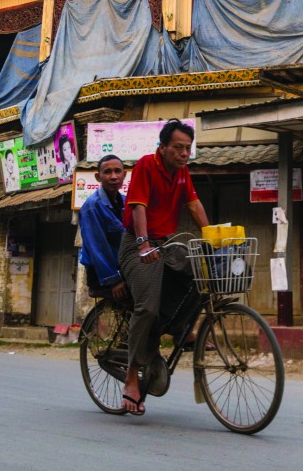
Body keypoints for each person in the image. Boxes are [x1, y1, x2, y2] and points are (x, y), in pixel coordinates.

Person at [118, 118, 209, 415]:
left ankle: (179, 327)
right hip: (137, 243)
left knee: (199, 274)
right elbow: (138, 206)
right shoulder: (146, 165)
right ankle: (132, 376)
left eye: (188, 148)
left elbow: (194, 205)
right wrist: (144, 243)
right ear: (163, 147)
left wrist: (213, 236)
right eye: (178, 148)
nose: (184, 154)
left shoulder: (182, 173)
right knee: (148, 307)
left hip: (166, 242)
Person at [78, 154, 127, 300]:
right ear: (98, 177)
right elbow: (98, 247)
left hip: (123, 267)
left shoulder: (125, 201)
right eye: (107, 172)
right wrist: (114, 280)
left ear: (124, 175)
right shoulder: (92, 206)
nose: (113, 176)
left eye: (118, 171)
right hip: (104, 274)